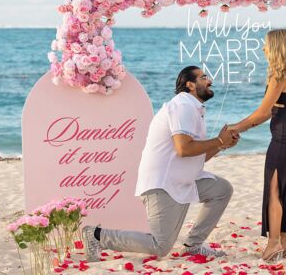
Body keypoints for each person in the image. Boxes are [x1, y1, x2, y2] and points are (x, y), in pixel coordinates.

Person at [83, 66, 239, 261]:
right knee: (160, 246)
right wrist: (219, 141)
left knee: (221, 189)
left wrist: (222, 145)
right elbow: (184, 149)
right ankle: (97, 236)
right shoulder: (182, 105)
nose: (210, 81)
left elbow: (197, 156)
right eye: (204, 77)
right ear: (190, 85)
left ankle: (194, 245)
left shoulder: (194, 108)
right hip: (162, 185)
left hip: (183, 180)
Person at [229, 29, 286, 261]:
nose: (263, 49)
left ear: (276, 48)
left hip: (284, 140)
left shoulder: (279, 77)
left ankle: (273, 244)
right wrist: (274, 110)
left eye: (266, 45)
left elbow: (262, 114)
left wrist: (235, 128)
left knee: (274, 192)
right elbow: (276, 109)